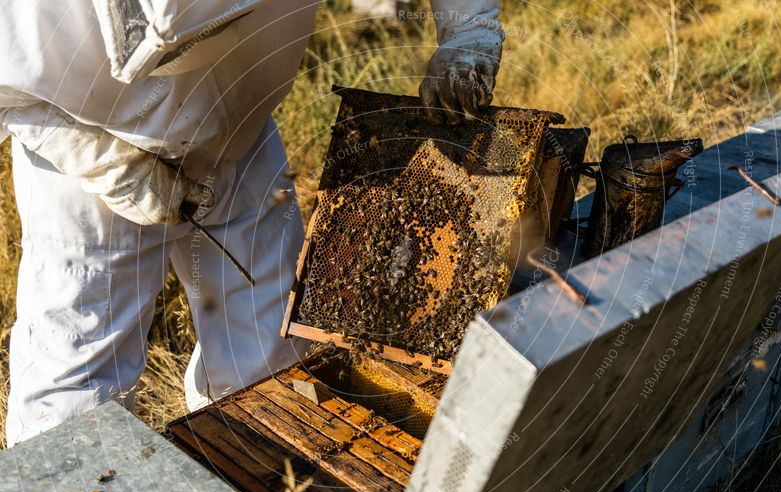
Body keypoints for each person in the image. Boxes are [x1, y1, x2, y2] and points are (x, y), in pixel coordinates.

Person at [0, 0, 505, 446]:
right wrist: (105, 162)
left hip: (240, 134)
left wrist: (470, 28)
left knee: (271, 352)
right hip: (97, 161)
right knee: (76, 396)